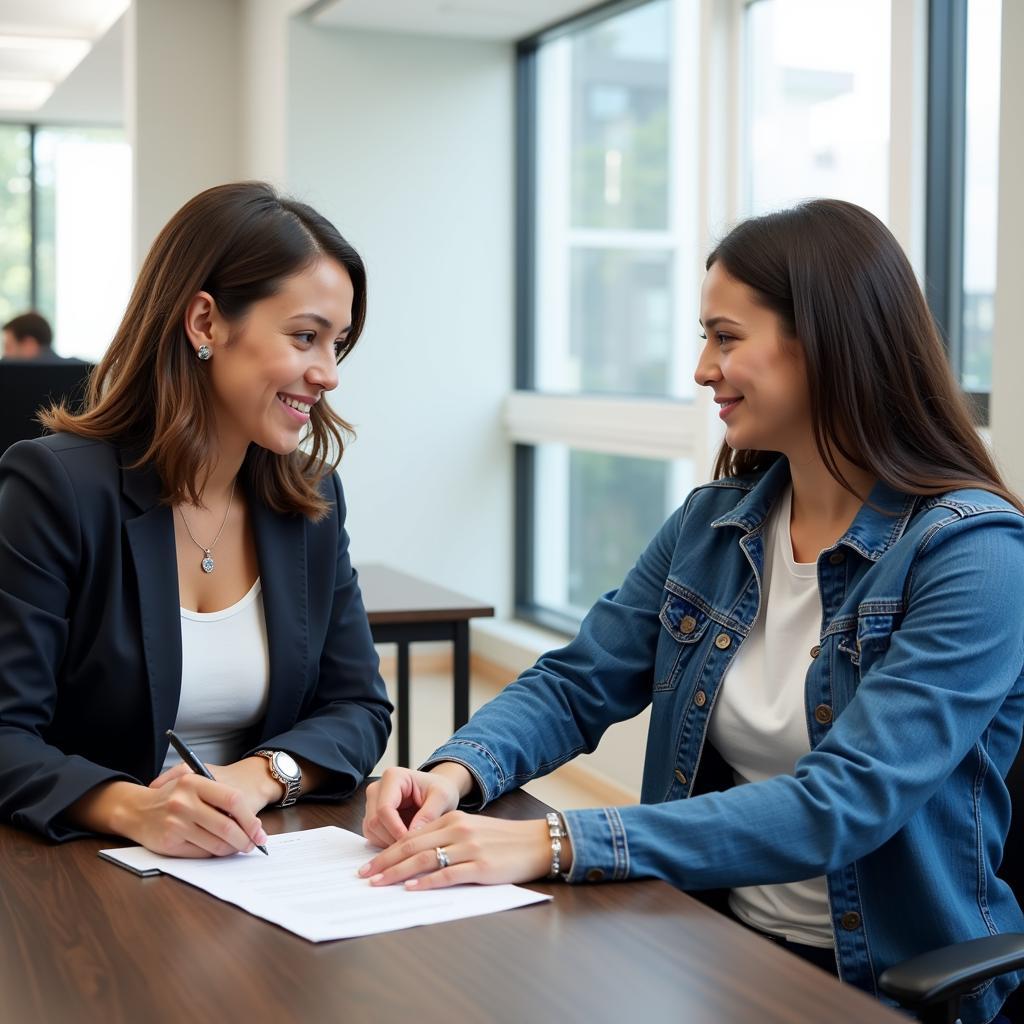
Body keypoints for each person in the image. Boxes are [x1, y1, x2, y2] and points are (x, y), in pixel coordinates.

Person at [359, 199, 1024, 1023]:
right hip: (708, 944)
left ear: (824, 341)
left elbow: (844, 802)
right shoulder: (715, 523)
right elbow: (578, 682)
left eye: (726, 336)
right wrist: (451, 773)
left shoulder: (974, 554)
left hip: (881, 986)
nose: (703, 369)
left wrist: (559, 841)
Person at [0, 181, 392, 858]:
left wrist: (258, 777)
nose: (327, 373)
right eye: (305, 337)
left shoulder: (310, 502)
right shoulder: (55, 487)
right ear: (205, 322)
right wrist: (137, 807)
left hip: (254, 862)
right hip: (84, 875)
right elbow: (5, 734)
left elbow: (359, 708)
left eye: (338, 344)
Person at [2, 311, 79, 362]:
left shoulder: (12, 380)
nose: (5, 355)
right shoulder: (84, 372)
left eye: (8, 347)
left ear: (29, 345)